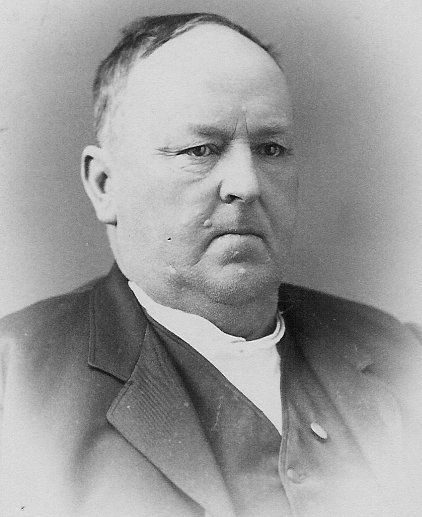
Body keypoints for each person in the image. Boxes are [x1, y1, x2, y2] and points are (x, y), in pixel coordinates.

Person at [1, 12, 421, 517]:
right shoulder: (14, 385)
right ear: (104, 185)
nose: (247, 184)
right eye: (199, 150)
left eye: (271, 149)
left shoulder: (401, 357)